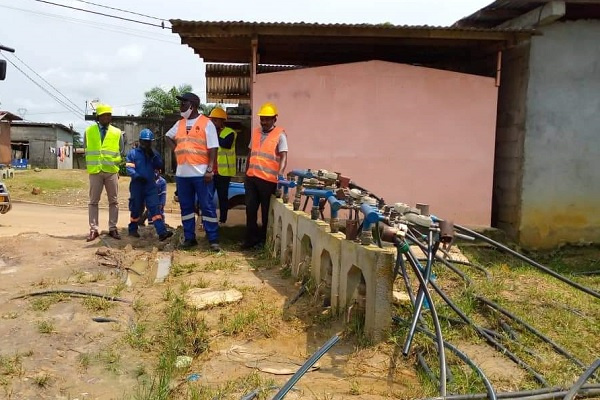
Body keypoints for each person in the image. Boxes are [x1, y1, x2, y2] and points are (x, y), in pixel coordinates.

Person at [165, 92, 220, 251]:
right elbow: (167, 137)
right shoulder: (179, 124)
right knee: (186, 207)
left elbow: (213, 148)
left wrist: (210, 169)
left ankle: (213, 240)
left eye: (183, 103)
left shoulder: (206, 123)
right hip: (183, 175)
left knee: (207, 206)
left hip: (201, 174)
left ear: (193, 105)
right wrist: (176, 150)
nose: (180, 106)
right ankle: (190, 238)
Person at [242, 102, 288, 249]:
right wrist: (246, 172)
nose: (264, 122)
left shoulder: (280, 135)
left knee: (266, 213)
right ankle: (250, 240)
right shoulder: (255, 133)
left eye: (268, 119)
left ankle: (263, 241)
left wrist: (280, 174)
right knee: (250, 210)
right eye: (262, 118)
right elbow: (250, 153)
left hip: (268, 181)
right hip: (252, 178)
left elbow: (284, 156)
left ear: (275, 119)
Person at [84, 103, 124, 242]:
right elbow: (86, 148)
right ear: (98, 117)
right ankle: (93, 229)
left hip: (111, 171)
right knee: (93, 201)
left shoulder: (117, 132)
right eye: (104, 115)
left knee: (113, 201)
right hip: (95, 171)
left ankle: (113, 228)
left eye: (109, 115)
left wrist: (114, 161)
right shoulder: (89, 131)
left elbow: (121, 150)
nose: (107, 117)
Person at [125, 129, 173, 241]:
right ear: (140, 141)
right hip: (137, 185)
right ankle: (132, 229)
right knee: (136, 208)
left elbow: (160, 165)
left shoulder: (154, 153)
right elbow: (129, 168)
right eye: (144, 141)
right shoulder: (133, 153)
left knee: (155, 208)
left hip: (150, 185)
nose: (146, 144)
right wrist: (137, 176)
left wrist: (153, 156)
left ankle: (161, 232)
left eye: (148, 142)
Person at [209, 107, 237, 224]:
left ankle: (223, 220)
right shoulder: (210, 133)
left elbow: (225, 144)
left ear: (222, 121)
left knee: (222, 197)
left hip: (223, 173)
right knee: (208, 197)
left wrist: (213, 134)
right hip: (210, 171)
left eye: (216, 120)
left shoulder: (230, 132)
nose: (213, 123)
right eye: (212, 120)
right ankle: (209, 219)